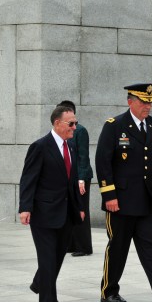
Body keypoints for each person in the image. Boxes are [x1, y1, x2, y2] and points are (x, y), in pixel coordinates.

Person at [95, 83, 152, 302]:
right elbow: (103, 162)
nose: (148, 106)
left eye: (150, 101)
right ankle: (109, 291)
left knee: (151, 247)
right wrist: (109, 195)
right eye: (144, 102)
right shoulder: (114, 126)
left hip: (146, 199)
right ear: (130, 102)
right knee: (118, 247)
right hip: (121, 201)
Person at [18, 105, 85, 302]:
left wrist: (80, 207)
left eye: (75, 122)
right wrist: (25, 208)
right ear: (57, 123)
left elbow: (72, 180)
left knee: (57, 256)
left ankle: (40, 282)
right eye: (71, 123)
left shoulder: (71, 146)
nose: (75, 127)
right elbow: (28, 179)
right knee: (47, 258)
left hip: (66, 211)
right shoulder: (40, 146)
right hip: (43, 212)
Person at [57, 100, 94, 257]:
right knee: (69, 212)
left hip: (80, 177)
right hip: (67, 177)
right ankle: (71, 244)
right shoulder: (60, 130)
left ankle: (84, 246)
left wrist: (81, 179)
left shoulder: (80, 131)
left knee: (81, 211)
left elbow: (83, 156)